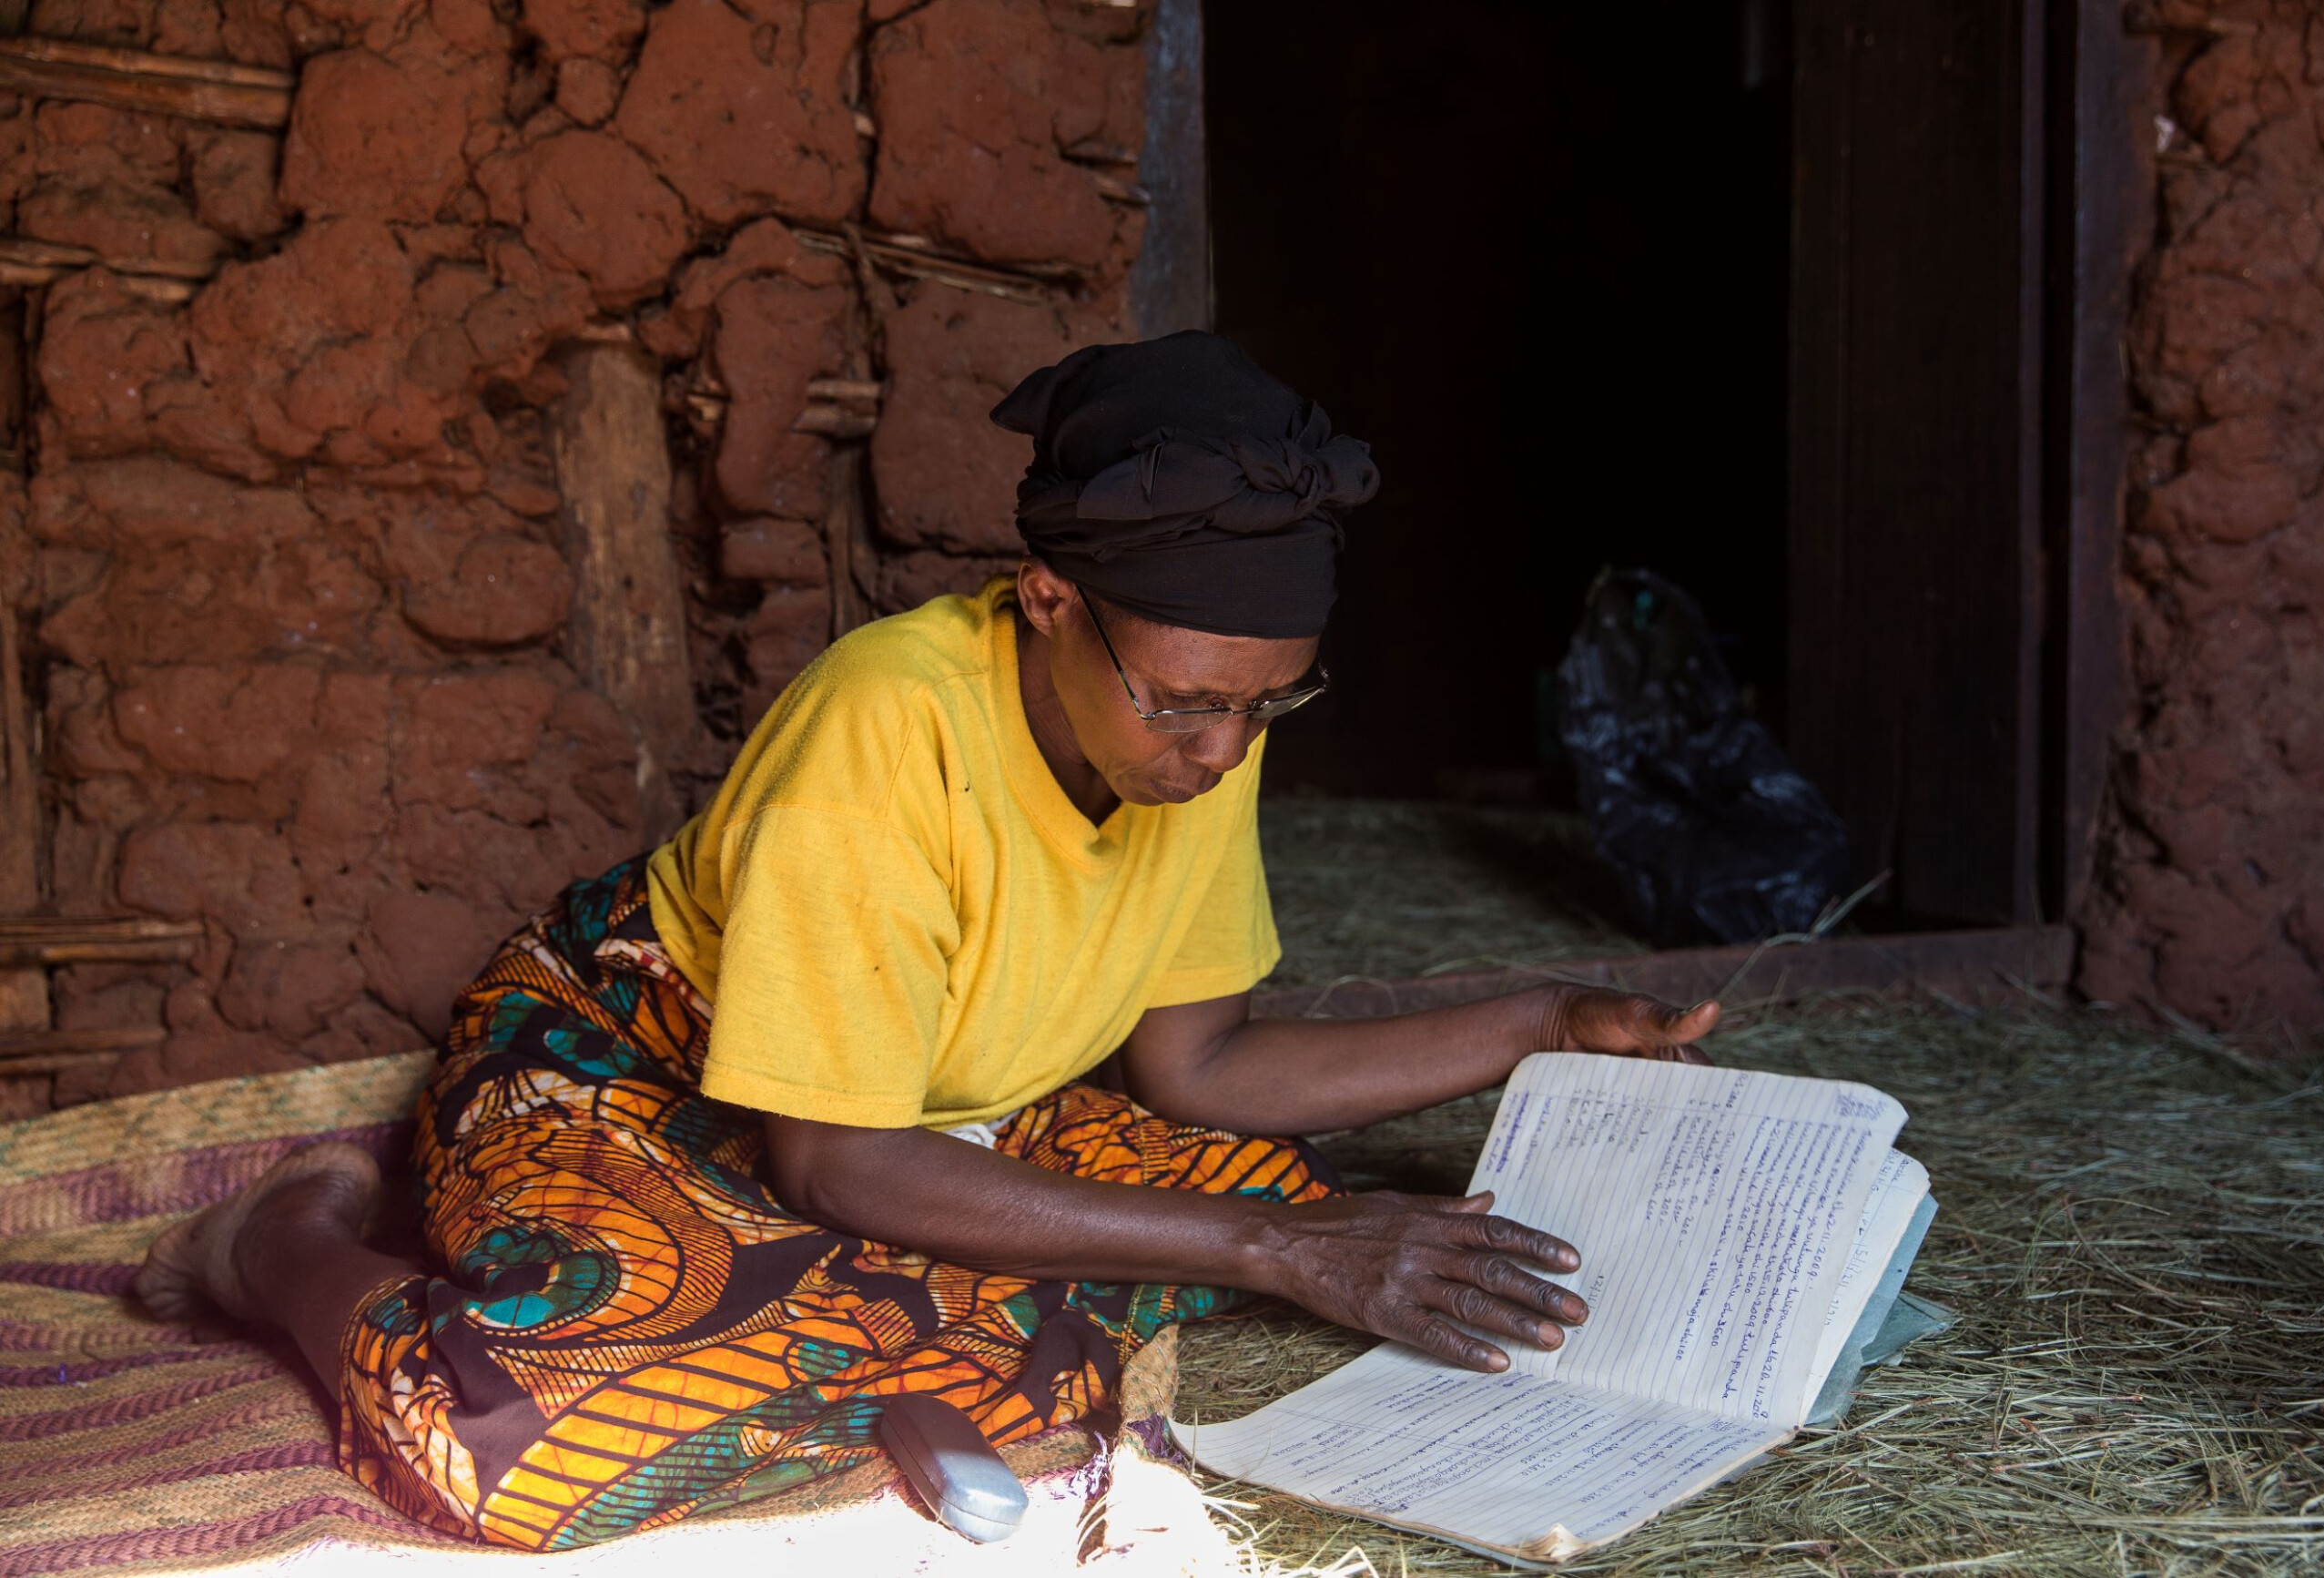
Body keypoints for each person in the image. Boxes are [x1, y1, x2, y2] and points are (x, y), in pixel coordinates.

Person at [137, 332, 1718, 1551]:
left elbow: (1203, 1063)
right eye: (1185, 700)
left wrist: (1545, 1020)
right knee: (527, 1434)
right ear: (1043, 597)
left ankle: (861, 1337)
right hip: (639, 1070)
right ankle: (279, 1244)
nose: (1224, 752)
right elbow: (826, 1158)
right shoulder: (883, 725)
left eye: (1264, 703)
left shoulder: (1199, 732)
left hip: (934, 1112)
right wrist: (1272, 1251)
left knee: (1331, 1214)